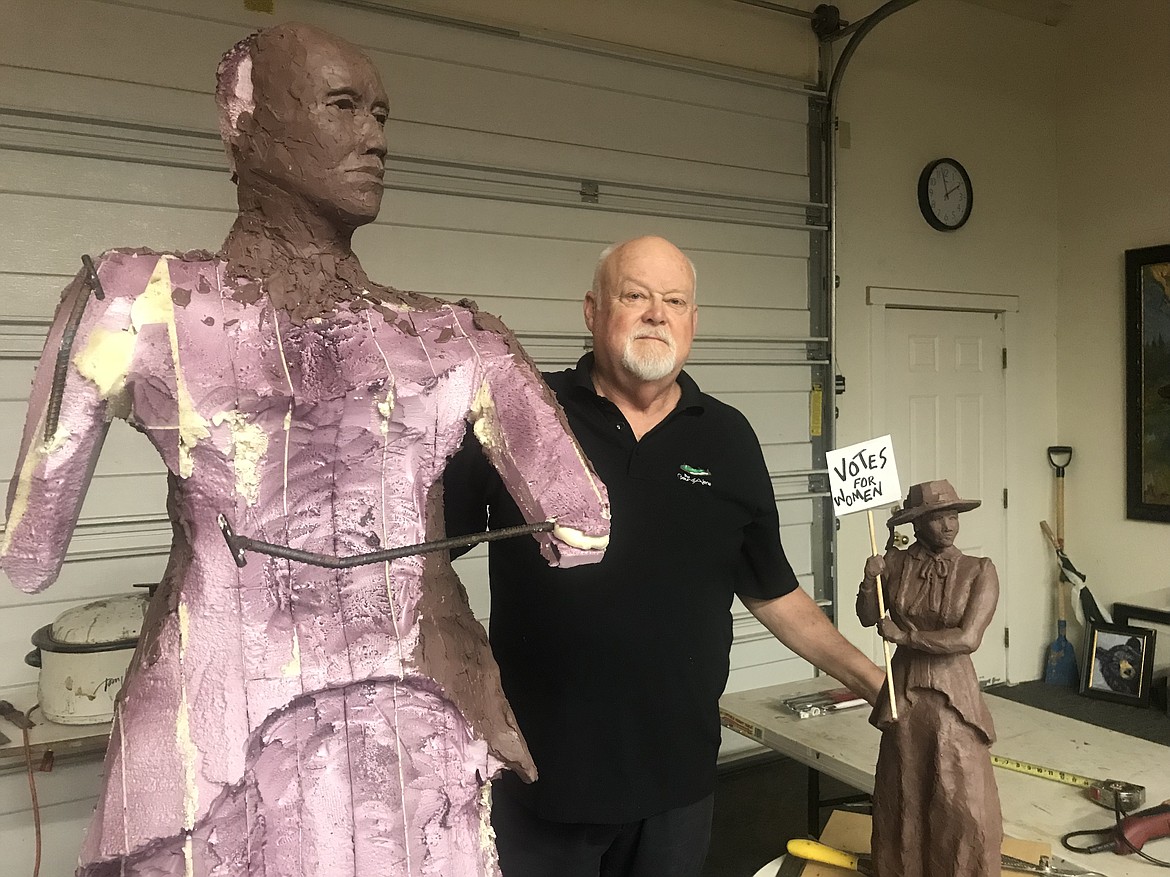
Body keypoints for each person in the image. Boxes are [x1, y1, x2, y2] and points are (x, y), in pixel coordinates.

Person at [0, 23, 609, 877]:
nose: (376, 137)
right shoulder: (448, 340)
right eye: (343, 106)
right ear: (243, 118)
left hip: (374, 749)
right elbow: (583, 527)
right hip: (236, 759)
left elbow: (29, 549)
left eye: (384, 116)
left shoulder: (139, 301)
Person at [444, 235, 885, 877]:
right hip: (542, 779)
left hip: (676, 785)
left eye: (674, 300)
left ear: (693, 322)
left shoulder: (727, 436)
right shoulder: (524, 417)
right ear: (593, 311)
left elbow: (772, 589)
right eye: (636, 295)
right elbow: (423, 557)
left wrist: (874, 680)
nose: (657, 313)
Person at [856, 480, 1002, 877]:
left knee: (962, 795)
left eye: (952, 516)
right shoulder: (898, 563)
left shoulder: (979, 571)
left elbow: (968, 638)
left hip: (952, 694)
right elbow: (871, 615)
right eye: (937, 518)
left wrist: (907, 636)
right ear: (917, 525)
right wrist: (871, 579)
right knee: (903, 788)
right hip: (904, 692)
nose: (948, 525)